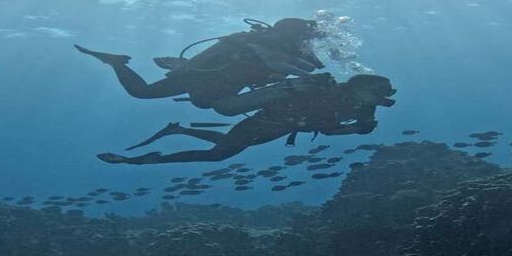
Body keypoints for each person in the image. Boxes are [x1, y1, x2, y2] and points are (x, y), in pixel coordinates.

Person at [98, 74, 396, 165]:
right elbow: (329, 130)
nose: (380, 98)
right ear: (359, 88)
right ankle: (138, 160)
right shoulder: (328, 99)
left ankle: (180, 130)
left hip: (273, 129)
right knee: (218, 156)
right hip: (261, 125)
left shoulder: (361, 103)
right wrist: (356, 129)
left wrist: (362, 124)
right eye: (377, 93)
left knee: (233, 144)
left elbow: (356, 126)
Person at [76, 18, 325, 116]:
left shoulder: (267, 41)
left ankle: (116, 63)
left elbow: (307, 66)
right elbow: (284, 64)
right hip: (205, 79)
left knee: (142, 92)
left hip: (204, 76)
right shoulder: (266, 43)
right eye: (306, 37)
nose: (308, 42)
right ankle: (116, 63)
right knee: (213, 105)